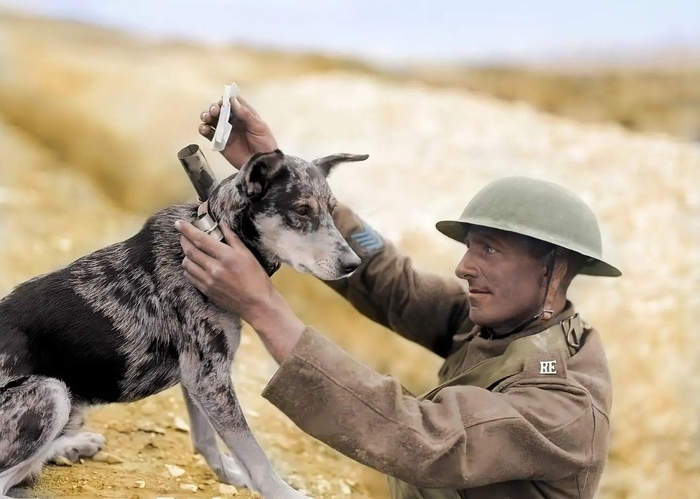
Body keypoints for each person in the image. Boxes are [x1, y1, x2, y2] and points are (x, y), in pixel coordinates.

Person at [174, 94, 620, 499]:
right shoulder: (508, 323)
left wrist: (264, 308)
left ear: (555, 267)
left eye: (489, 250)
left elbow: (422, 437)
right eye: (469, 247)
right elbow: (391, 283)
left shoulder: (563, 404)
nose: (465, 267)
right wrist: (277, 176)